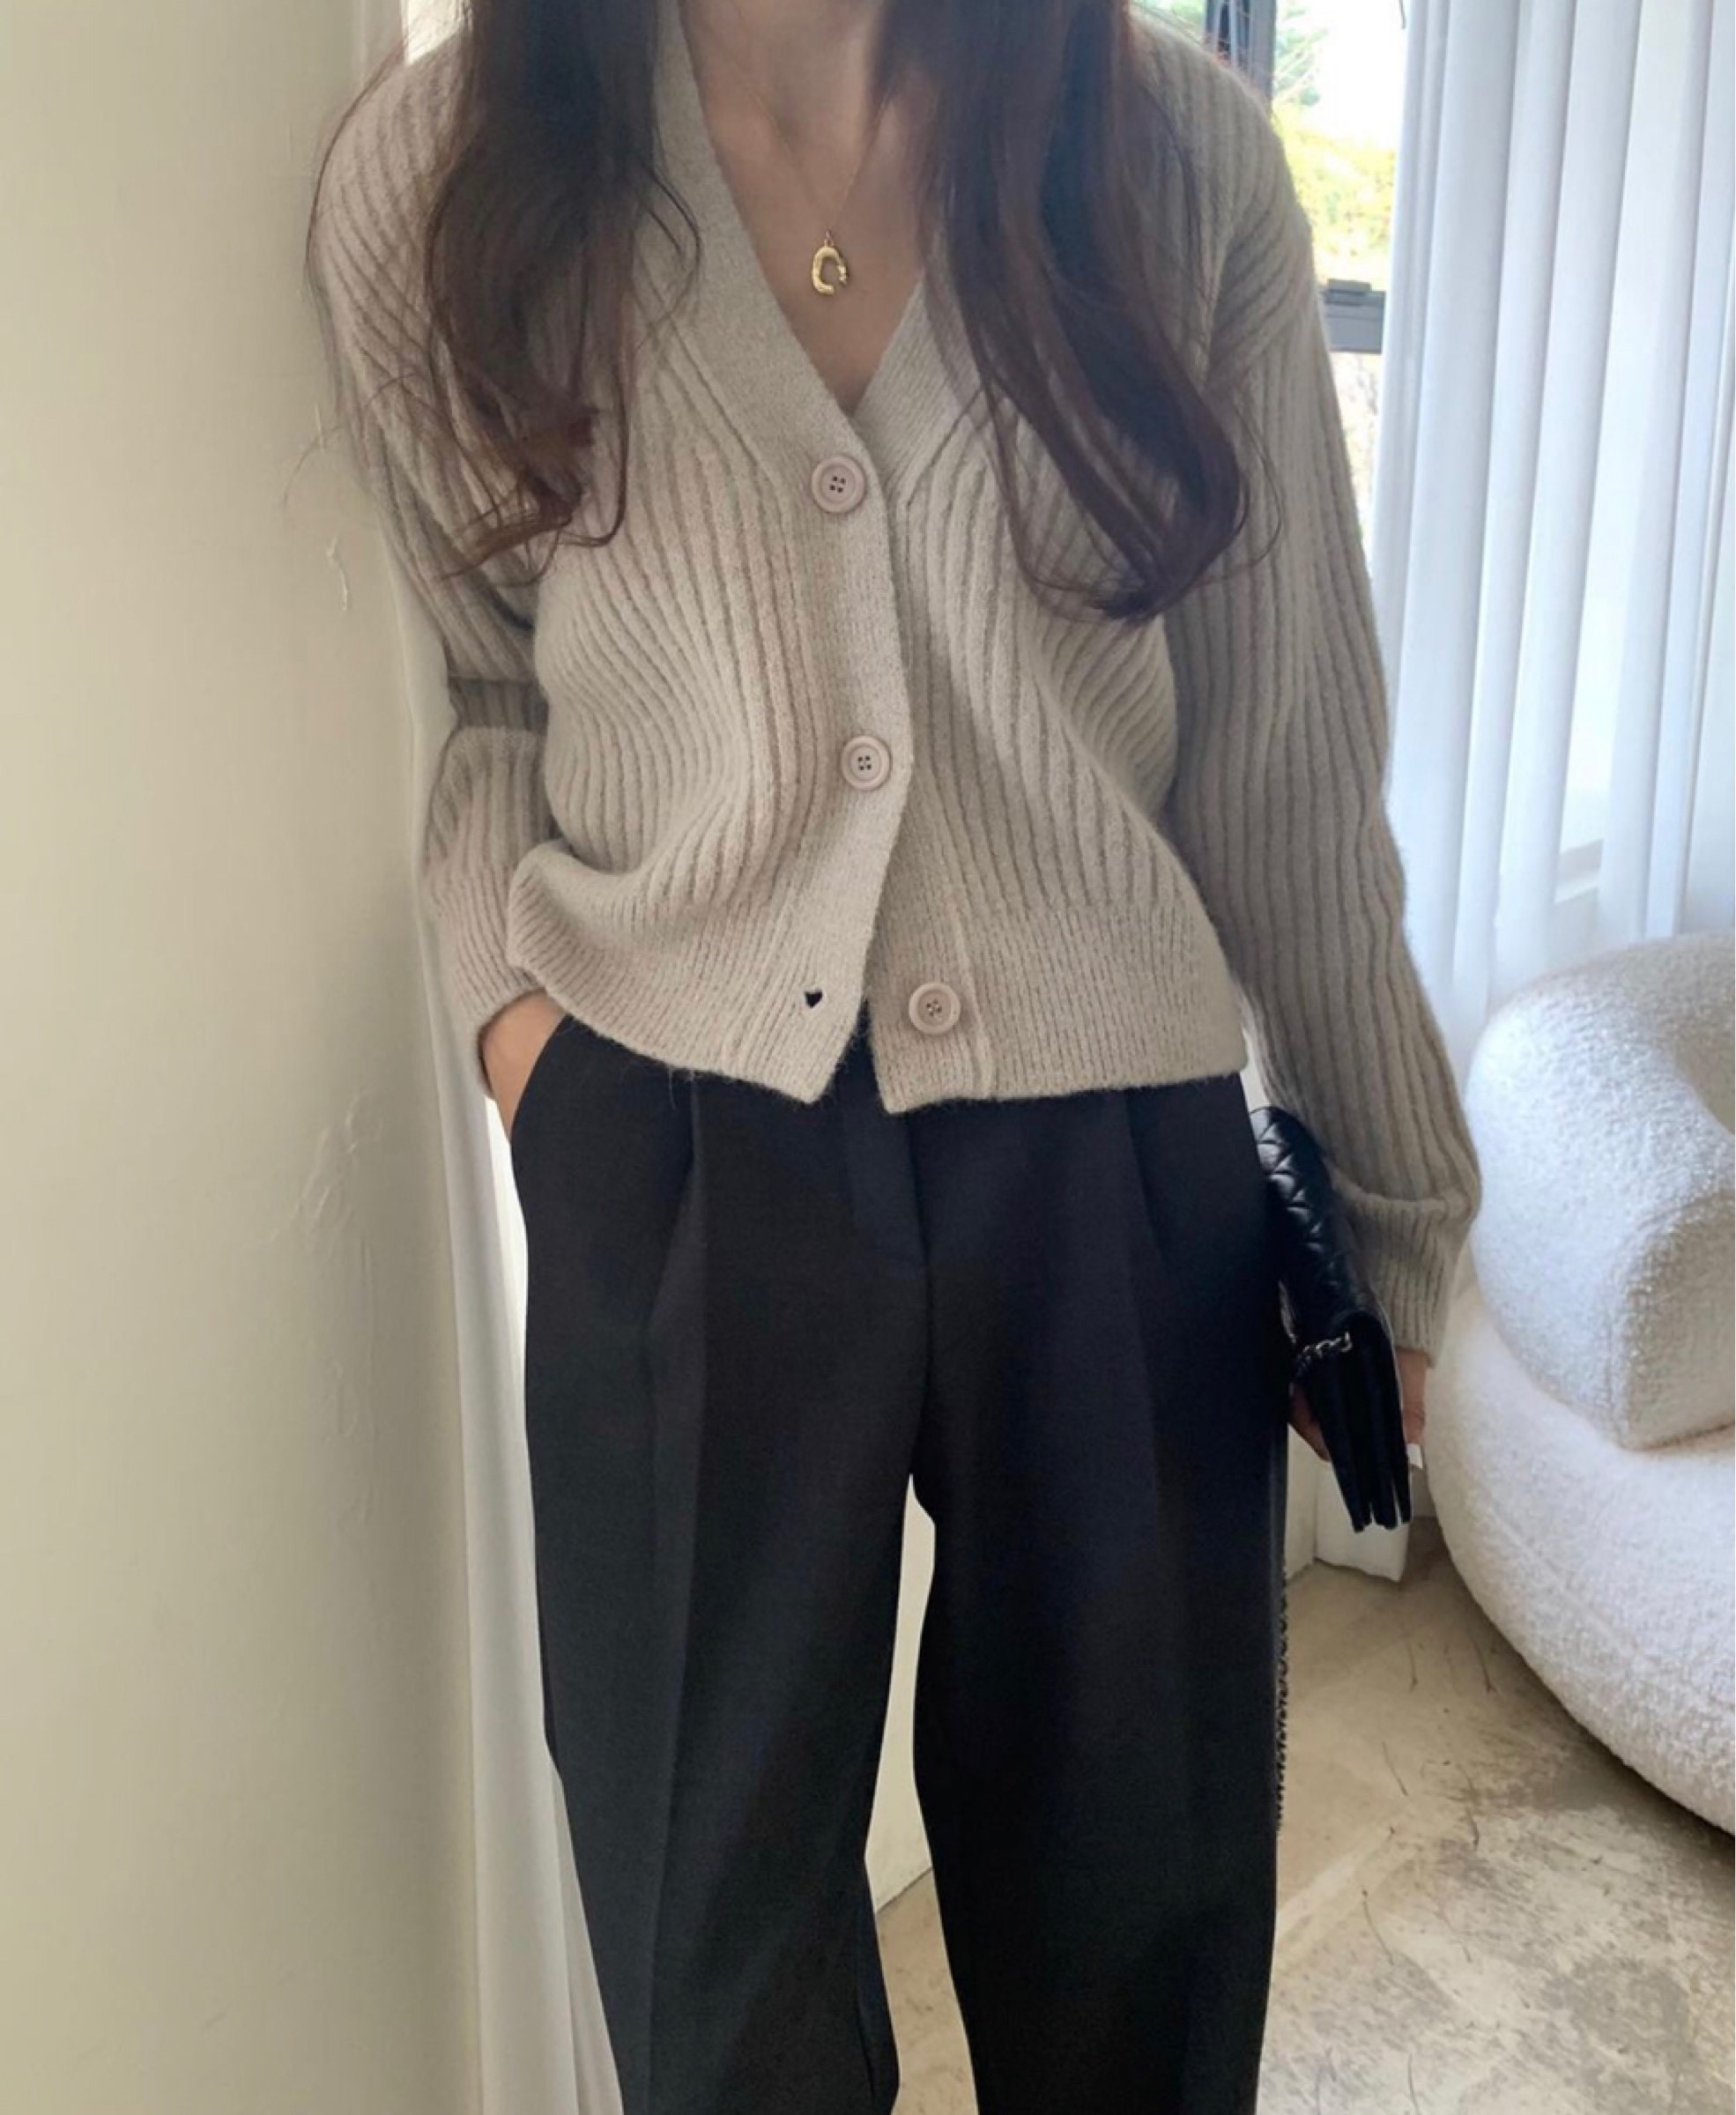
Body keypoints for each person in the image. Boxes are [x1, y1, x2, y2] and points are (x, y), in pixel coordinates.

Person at [308, 1, 1482, 2107]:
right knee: (710, 1964)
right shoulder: (444, 178)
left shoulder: (1177, 164)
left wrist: (1397, 1221)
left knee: (1144, 1932)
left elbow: (1286, 762)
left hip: (1116, 1162)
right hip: (676, 1148)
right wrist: (527, 1044)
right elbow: (479, 698)